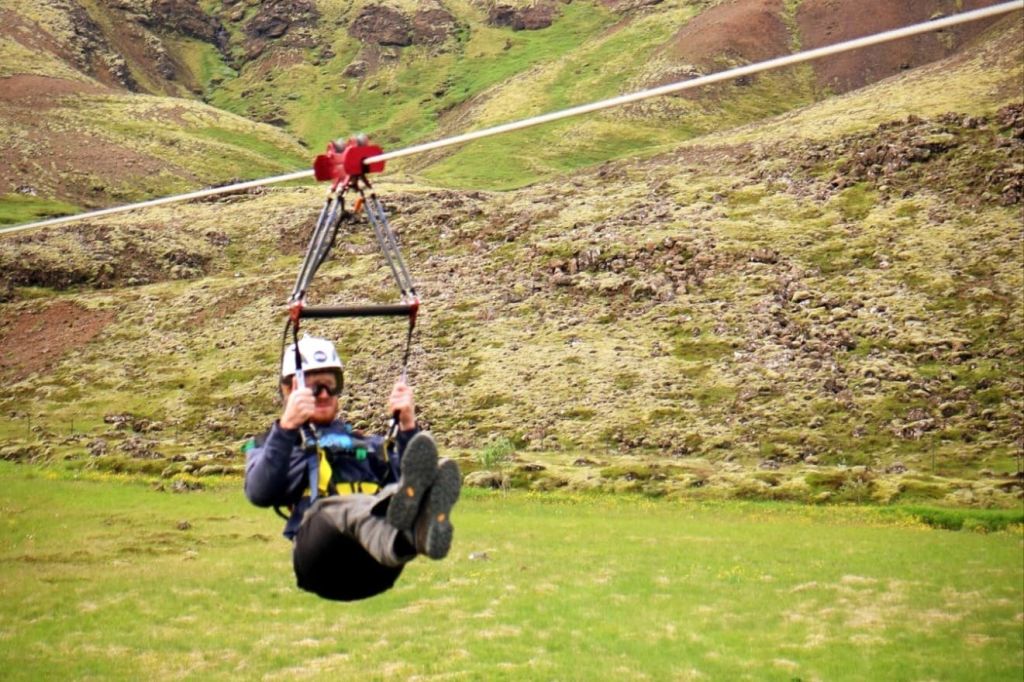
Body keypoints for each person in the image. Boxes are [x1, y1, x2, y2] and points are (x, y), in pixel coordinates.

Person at [243, 335, 461, 601]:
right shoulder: (276, 444)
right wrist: (288, 427)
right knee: (341, 508)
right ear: (290, 391)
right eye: (314, 387)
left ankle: (413, 534)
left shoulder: (368, 444)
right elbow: (259, 492)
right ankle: (408, 535)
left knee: (402, 490)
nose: (323, 394)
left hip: (376, 568)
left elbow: (408, 479)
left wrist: (407, 427)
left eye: (330, 386)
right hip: (322, 560)